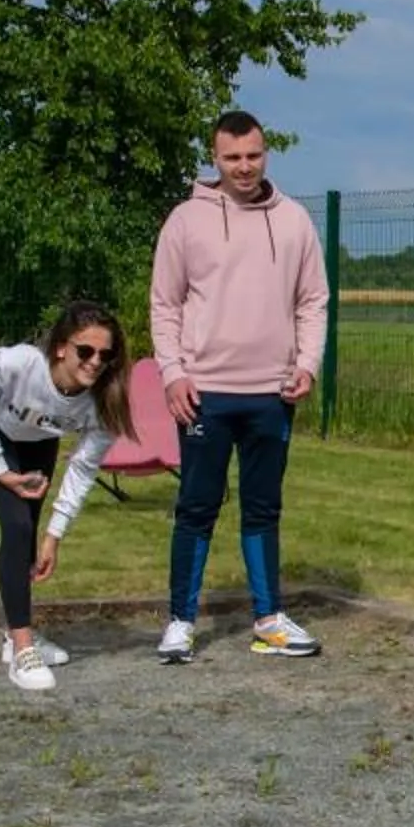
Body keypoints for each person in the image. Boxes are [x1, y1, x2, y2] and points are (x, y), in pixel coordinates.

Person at [149, 109, 330, 662]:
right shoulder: (185, 220)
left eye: (253, 155)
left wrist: (307, 364)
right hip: (204, 393)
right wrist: (172, 372)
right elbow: (165, 304)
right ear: (215, 159)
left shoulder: (294, 220)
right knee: (196, 507)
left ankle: (269, 619)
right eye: (232, 158)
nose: (244, 167)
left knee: (263, 508)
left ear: (265, 153)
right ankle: (181, 622)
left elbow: (313, 300)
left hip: (273, 394)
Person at [0, 302, 135, 691]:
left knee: (31, 533)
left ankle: (13, 634)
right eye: (85, 351)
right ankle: (23, 650)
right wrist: (1, 471)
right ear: (60, 348)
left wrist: (54, 536)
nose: (95, 362)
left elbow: (82, 471)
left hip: (40, 441)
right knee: (17, 525)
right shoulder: (18, 364)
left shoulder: (103, 401)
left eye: (105, 355)